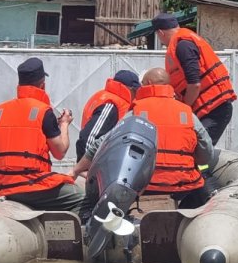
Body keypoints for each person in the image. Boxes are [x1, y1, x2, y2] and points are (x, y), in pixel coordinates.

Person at [71, 67, 215, 214]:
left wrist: (77, 169)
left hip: (146, 186)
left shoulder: (137, 111)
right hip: (183, 186)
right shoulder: (187, 113)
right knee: (202, 186)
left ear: (149, 83)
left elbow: (103, 142)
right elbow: (206, 154)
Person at [0, 57, 83, 212]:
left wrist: (2, 174)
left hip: (1, 187)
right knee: (82, 199)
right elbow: (60, 152)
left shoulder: (0, 110)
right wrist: (64, 124)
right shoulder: (43, 111)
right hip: (33, 186)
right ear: (42, 85)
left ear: (19, 84)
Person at [152, 12, 237, 145]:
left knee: (195, 149)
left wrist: (184, 109)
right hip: (208, 108)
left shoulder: (183, 46)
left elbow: (194, 84)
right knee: (188, 146)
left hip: (214, 110)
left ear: (160, 33)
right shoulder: (184, 42)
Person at [75, 69, 141, 161]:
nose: (136, 96)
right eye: (136, 91)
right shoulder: (112, 104)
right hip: (99, 163)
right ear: (130, 89)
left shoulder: (104, 96)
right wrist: (87, 166)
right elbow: (89, 137)